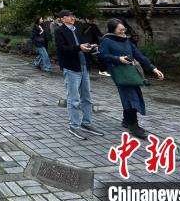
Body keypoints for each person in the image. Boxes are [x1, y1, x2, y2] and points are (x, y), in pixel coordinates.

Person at [99, 18, 164, 139]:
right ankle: (134, 125)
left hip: (130, 72)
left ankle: (126, 120)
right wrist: (118, 59)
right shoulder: (107, 40)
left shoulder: (126, 40)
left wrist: (153, 68)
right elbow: (103, 55)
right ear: (113, 30)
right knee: (131, 97)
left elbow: (139, 55)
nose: (123, 31)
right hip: (119, 72)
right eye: (120, 30)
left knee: (133, 94)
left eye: (124, 29)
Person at [54, 9, 104, 140]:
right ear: (62, 19)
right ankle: (74, 126)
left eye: (73, 15)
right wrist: (79, 47)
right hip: (71, 68)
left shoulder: (78, 29)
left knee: (87, 97)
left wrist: (90, 46)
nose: (72, 18)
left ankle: (86, 123)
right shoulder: (59, 31)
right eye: (69, 16)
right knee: (74, 99)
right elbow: (62, 48)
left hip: (84, 66)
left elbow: (82, 44)